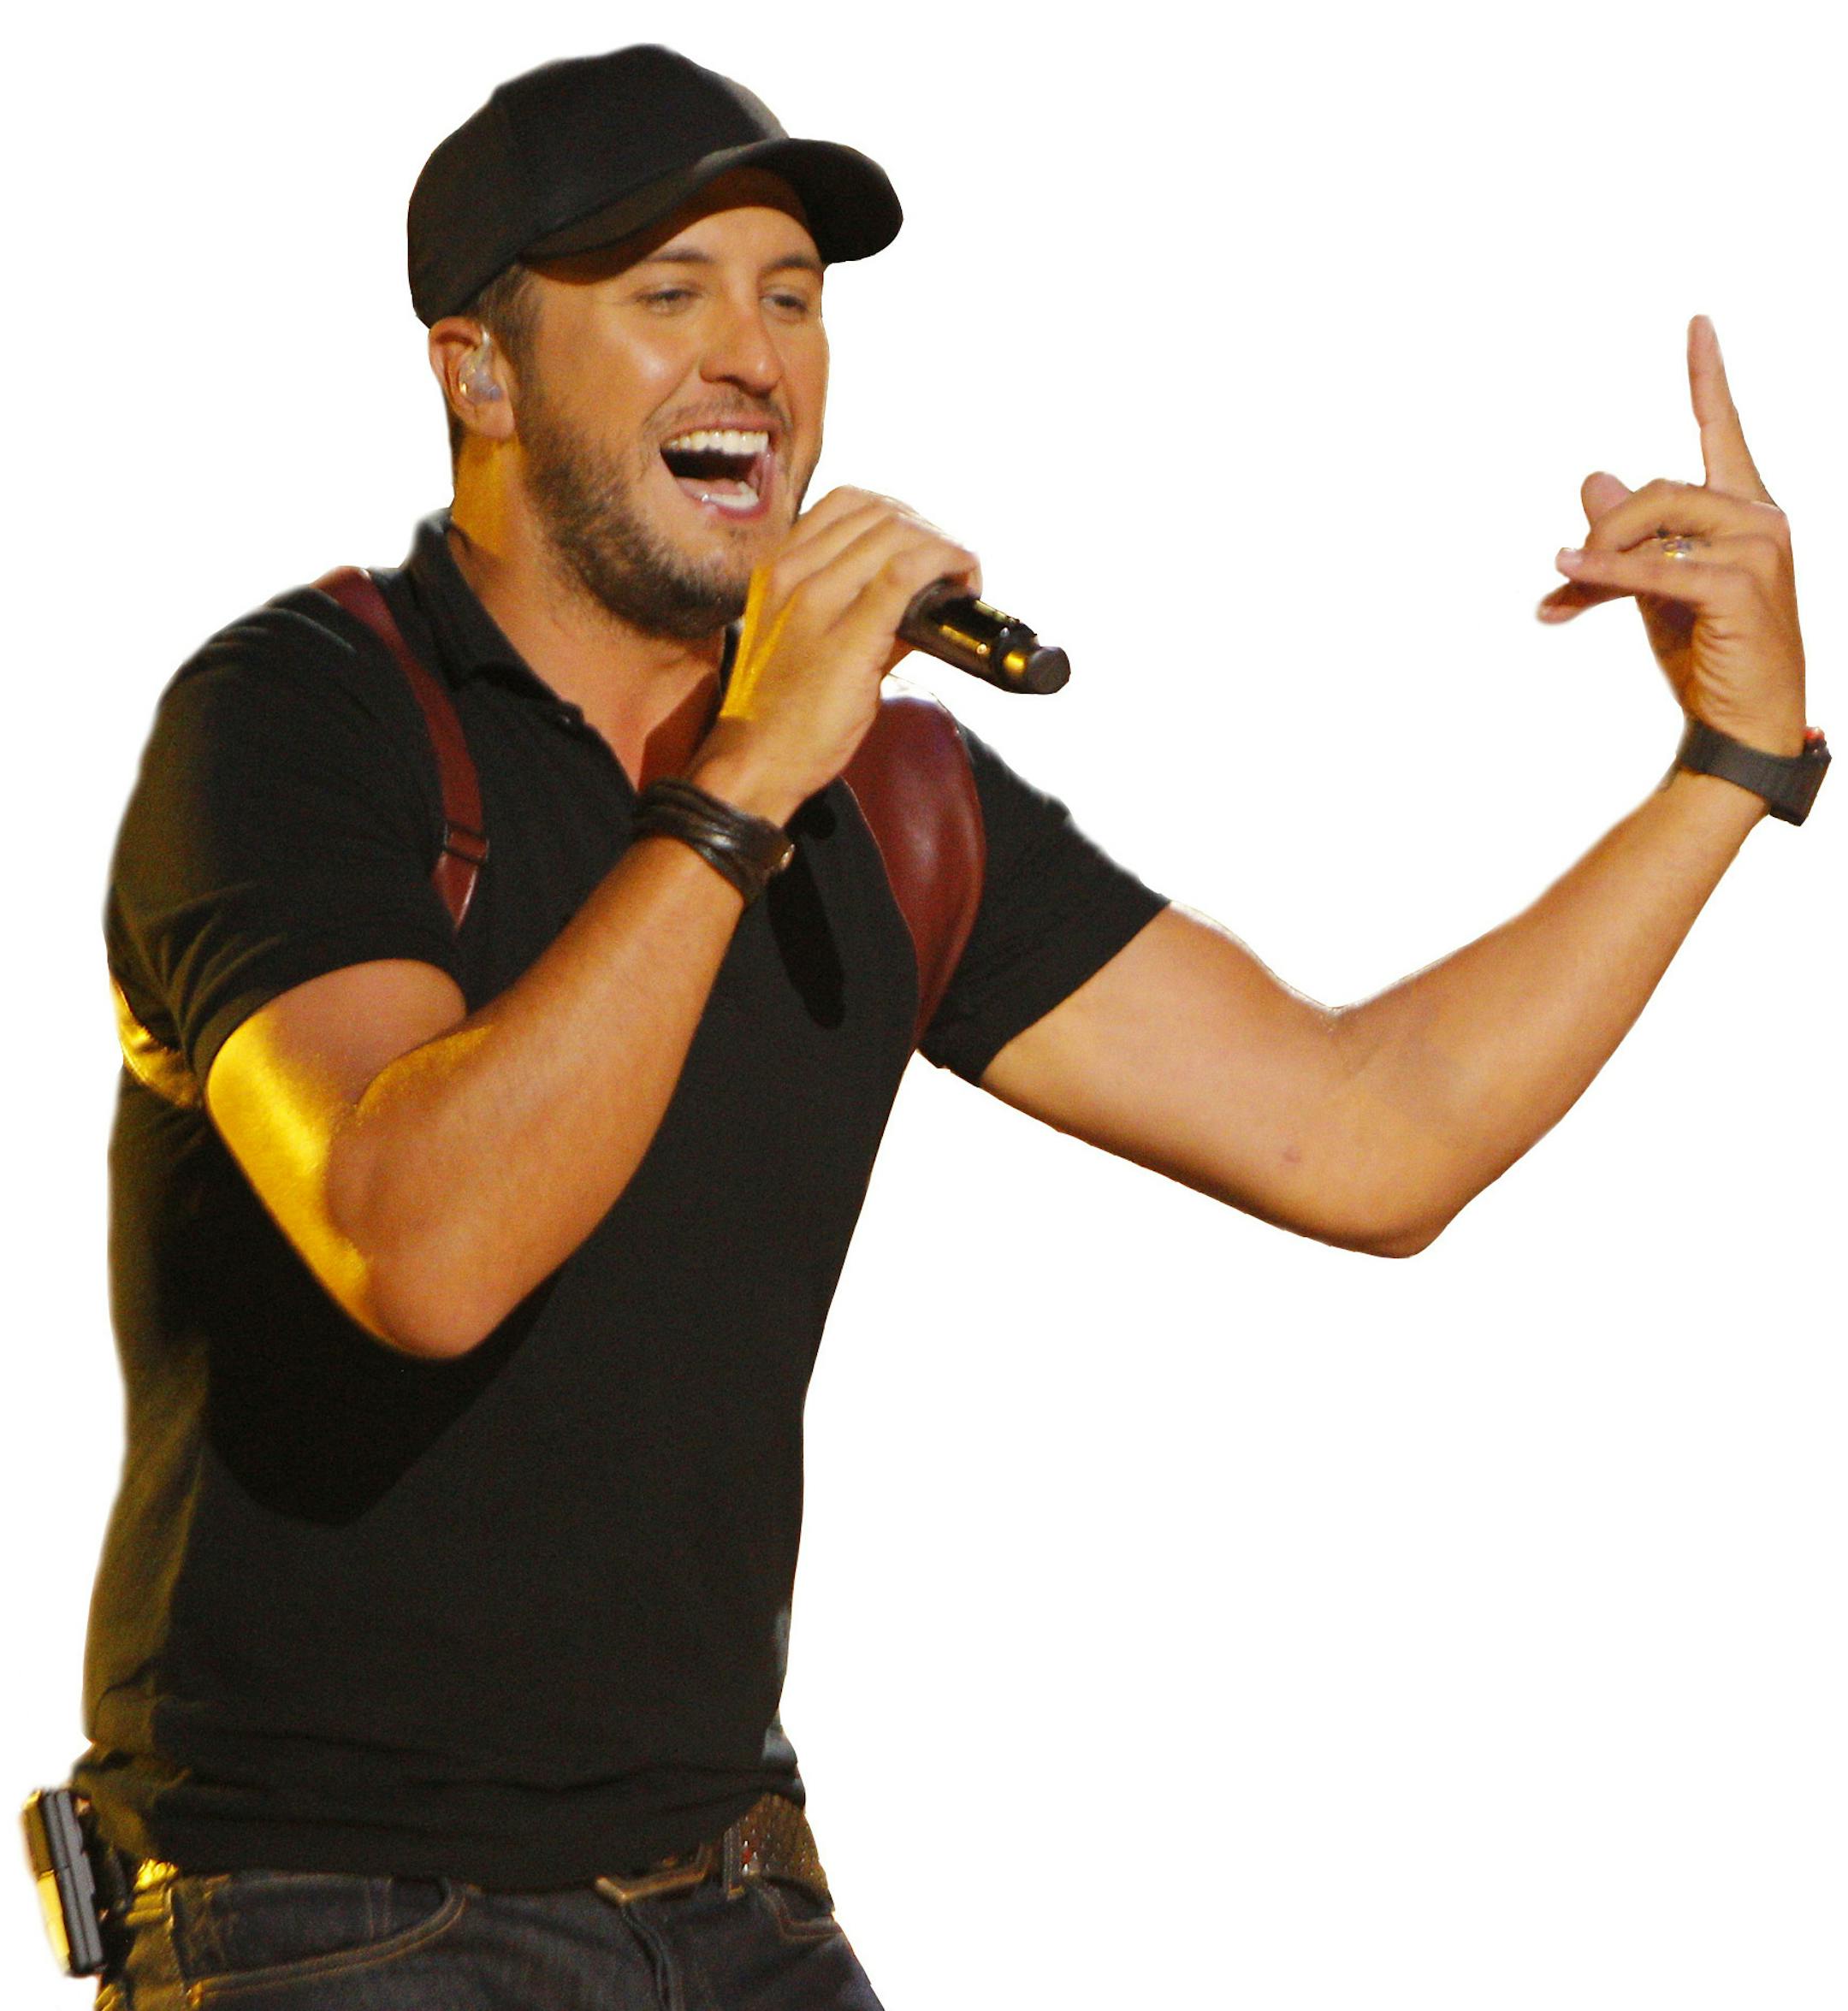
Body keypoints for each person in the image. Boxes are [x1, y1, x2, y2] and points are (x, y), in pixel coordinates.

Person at [76, 40, 1824, 2011]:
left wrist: (1728, 764)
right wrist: (739, 787)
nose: (755, 355)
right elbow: (424, 1244)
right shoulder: (301, 717)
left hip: (734, 1894)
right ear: (477, 370)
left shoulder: (889, 801)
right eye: (669, 296)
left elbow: (1372, 1131)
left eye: (795, 297)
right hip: (339, 1915)